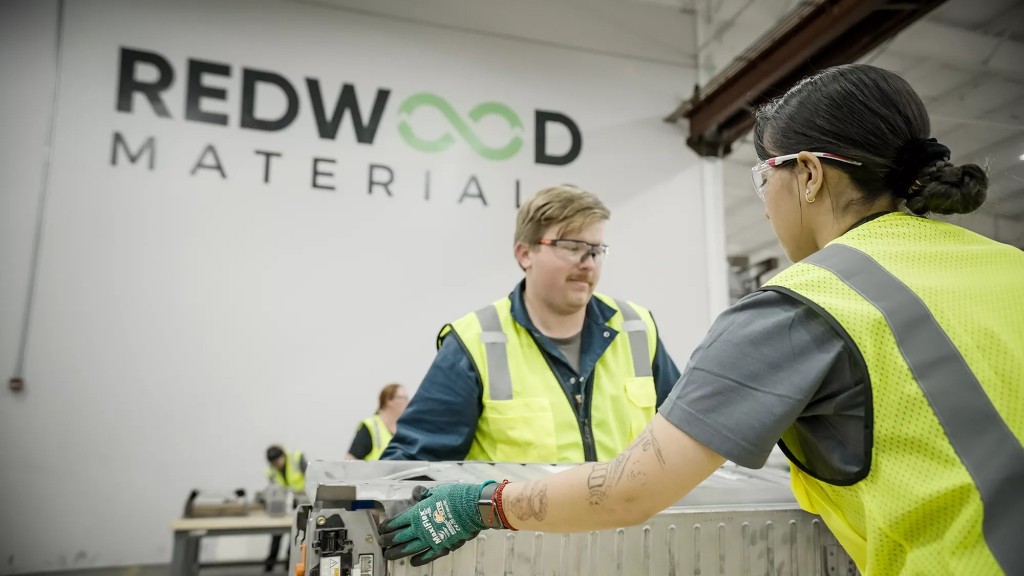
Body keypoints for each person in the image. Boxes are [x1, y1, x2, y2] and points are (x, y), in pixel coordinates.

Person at [377, 64, 1024, 575]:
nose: (765, 205)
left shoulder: (800, 307)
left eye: (760, 176)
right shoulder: (1008, 268)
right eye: (571, 248)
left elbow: (634, 488)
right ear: (526, 253)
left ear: (805, 175)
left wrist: (486, 503)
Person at [380, 184, 681, 462]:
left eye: (596, 250)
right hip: (517, 523)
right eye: (572, 246)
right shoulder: (476, 341)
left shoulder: (637, 329)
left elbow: (683, 435)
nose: (588, 263)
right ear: (525, 254)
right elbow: (412, 466)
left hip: (628, 521)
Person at [264, 445, 307, 572]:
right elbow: (273, 489)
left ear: (283, 456)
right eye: (273, 463)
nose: (276, 465)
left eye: (277, 461)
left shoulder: (296, 458)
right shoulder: (271, 471)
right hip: (282, 505)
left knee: (294, 535)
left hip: (300, 502)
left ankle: (289, 564)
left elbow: (309, 477)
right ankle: (270, 564)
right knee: (276, 534)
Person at [345, 383, 409, 460]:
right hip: (374, 472)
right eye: (403, 398)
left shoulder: (405, 427)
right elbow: (351, 459)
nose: (407, 402)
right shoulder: (371, 426)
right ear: (388, 400)